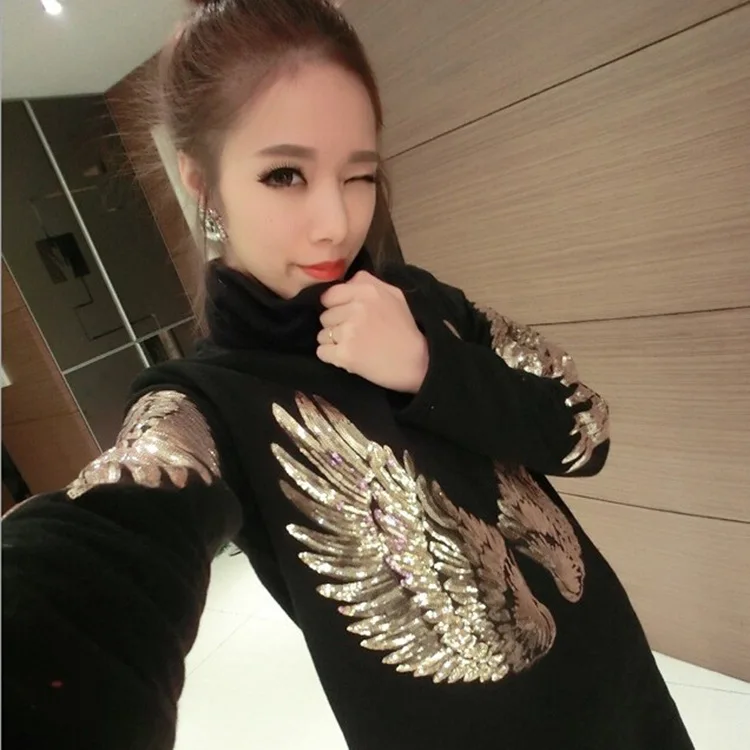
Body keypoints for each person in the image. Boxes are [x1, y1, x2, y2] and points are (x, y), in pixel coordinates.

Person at [2, 1, 695, 748]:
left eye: (359, 174)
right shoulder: (203, 404)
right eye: (285, 174)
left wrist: (429, 369)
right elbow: (99, 557)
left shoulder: (424, 302)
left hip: (625, 690)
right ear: (201, 182)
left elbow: (586, 433)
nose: (336, 221)